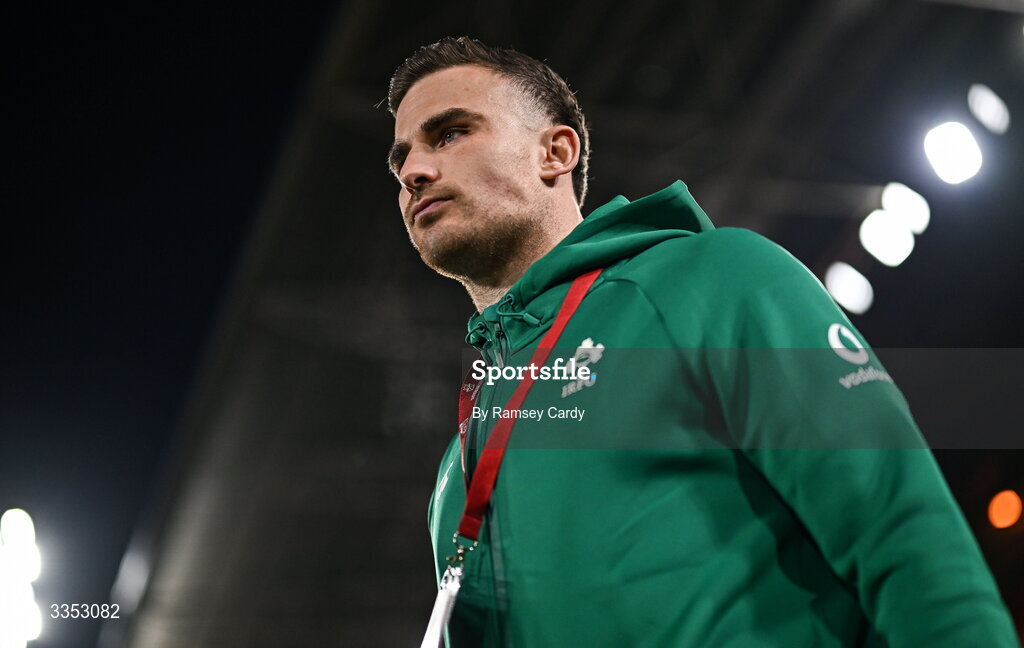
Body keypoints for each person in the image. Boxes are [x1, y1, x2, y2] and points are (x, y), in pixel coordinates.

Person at [385, 36, 1019, 647]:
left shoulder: (712, 279)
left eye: (451, 132)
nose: (414, 169)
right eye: (401, 157)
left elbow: (898, 525)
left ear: (555, 153)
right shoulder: (460, 463)